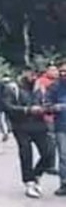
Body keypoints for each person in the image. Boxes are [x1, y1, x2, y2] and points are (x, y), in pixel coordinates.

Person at [1, 69, 56, 198]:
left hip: (38, 124)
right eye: (29, 74)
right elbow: (8, 107)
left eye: (34, 74)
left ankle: (36, 174)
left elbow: (46, 103)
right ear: (23, 74)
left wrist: (47, 107)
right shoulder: (12, 88)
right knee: (26, 153)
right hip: (21, 125)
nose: (32, 77)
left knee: (49, 152)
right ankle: (29, 182)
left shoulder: (39, 88)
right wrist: (27, 110)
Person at [47, 62, 66, 196]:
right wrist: (55, 107)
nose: (63, 74)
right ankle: (64, 183)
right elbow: (46, 105)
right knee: (64, 156)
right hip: (61, 126)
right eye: (61, 72)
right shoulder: (54, 87)